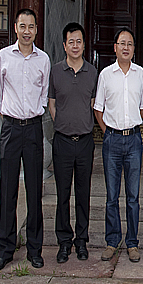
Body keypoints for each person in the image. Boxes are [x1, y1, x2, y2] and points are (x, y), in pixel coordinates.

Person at [0, 8, 50, 271]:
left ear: (36, 29)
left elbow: (44, 93)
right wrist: (8, 114)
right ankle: (5, 249)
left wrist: (34, 113)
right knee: (8, 190)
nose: (27, 31)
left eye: (31, 26)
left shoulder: (43, 59)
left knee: (35, 190)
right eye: (22, 26)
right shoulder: (3, 57)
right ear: (15, 28)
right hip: (11, 129)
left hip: (34, 128)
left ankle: (35, 249)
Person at [94, 27, 143, 263]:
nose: (126, 47)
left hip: (134, 140)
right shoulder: (106, 75)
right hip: (112, 141)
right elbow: (98, 109)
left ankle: (132, 242)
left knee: (133, 196)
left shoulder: (140, 73)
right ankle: (112, 241)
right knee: (111, 196)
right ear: (115, 47)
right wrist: (109, 132)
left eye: (130, 44)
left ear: (134, 49)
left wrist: (129, 127)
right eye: (122, 43)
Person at [48, 22, 98, 264]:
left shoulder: (93, 72)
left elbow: (94, 105)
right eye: (71, 42)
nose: (75, 46)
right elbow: (52, 104)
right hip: (63, 142)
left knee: (83, 193)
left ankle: (81, 240)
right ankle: (64, 241)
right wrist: (64, 125)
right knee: (62, 193)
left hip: (85, 141)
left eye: (79, 41)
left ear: (84, 45)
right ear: (64, 45)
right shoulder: (56, 71)